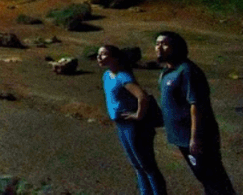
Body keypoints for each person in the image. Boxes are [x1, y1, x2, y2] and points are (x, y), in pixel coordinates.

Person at [156, 31, 237, 195]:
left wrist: (196, 137)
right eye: (157, 43)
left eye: (164, 44)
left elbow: (196, 105)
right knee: (204, 177)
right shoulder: (167, 72)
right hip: (181, 137)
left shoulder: (187, 71)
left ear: (176, 47)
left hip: (197, 138)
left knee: (214, 179)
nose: (159, 48)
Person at [98, 45, 167, 195]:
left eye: (104, 54)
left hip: (134, 125)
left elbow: (142, 96)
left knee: (147, 165)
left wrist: (138, 115)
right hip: (121, 124)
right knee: (136, 164)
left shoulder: (123, 77)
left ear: (115, 58)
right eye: (99, 54)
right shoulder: (106, 75)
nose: (99, 57)